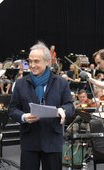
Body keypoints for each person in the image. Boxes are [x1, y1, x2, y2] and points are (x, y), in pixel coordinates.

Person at [8, 41, 74, 170]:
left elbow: (70, 106)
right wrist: (23, 116)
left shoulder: (61, 83)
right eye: (30, 61)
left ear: (47, 62)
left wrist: (63, 110)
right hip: (29, 140)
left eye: (36, 61)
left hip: (52, 140)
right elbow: (12, 109)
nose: (32, 65)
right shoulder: (20, 84)